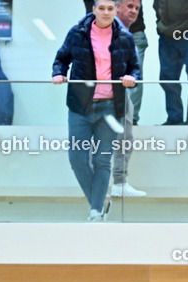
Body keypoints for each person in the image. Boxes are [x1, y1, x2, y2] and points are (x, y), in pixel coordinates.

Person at [53, 0, 140, 221]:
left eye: (110, 9)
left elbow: (135, 68)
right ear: (93, 10)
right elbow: (61, 58)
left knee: (102, 161)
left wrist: (132, 78)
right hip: (80, 106)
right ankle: (99, 202)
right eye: (101, 8)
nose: (106, 12)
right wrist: (59, 73)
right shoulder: (77, 33)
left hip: (110, 107)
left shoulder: (125, 38)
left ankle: (95, 212)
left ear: (115, 11)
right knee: (77, 159)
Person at [111, 0, 147, 197]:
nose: (134, 11)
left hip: (120, 93)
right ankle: (97, 188)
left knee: (125, 136)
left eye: (137, 8)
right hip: (98, 93)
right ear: (117, 7)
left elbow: (134, 69)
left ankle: (119, 183)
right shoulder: (98, 28)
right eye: (129, 7)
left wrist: (130, 76)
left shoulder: (128, 35)